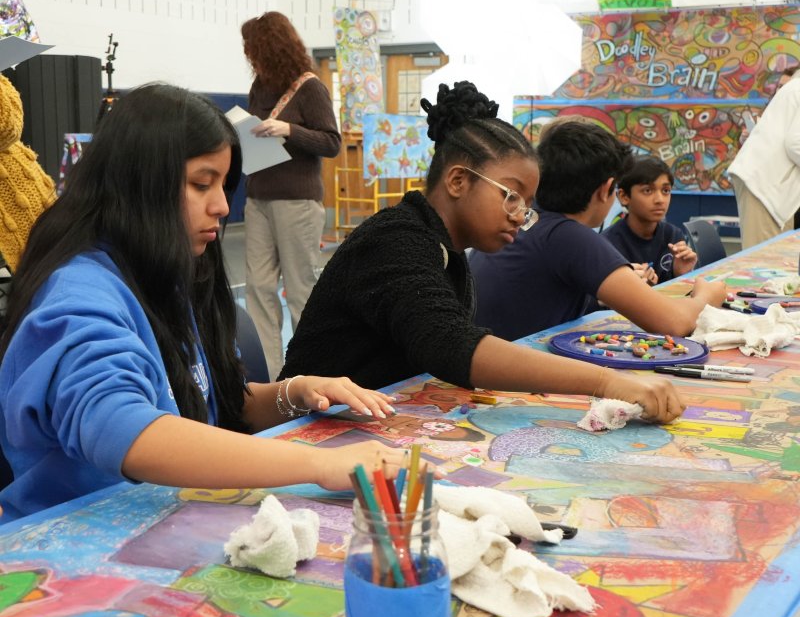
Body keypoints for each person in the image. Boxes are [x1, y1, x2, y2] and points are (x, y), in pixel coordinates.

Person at [0, 84, 401, 524]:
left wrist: (296, 393)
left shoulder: (165, 274)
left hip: (170, 519)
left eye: (224, 185)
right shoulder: (79, 295)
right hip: (73, 540)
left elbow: (213, 405)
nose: (223, 206)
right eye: (200, 184)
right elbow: (124, 429)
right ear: (138, 184)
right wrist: (319, 464)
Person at [281, 82, 684, 426]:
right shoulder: (394, 239)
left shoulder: (444, 248)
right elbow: (451, 345)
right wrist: (607, 381)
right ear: (458, 181)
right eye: (511, 196)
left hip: (377, 416)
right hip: (306, 427)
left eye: (527, 205)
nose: (520, 216)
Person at [469, 120, 725, 342]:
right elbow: (674, 323)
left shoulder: (527, 220)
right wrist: (706, 297)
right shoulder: (569, 236)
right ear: (607, 189)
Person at [241, 11, 341, 379]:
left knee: (300, 290)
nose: (249, 57)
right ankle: (269, 376)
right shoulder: (259, 86)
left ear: (271, 48)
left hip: (297, 202)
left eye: (253, 49)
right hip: (258, 198)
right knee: (258, 287)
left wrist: (289, 129)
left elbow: (331, 142)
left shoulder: (310, 87)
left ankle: (313, 372)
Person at [729, 69, 800, 249]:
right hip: (766, 188)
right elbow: (795, 143)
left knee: (775, 258)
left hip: (769, 188)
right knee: (765, 261)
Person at [602, 155, 696, 286]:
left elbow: (673, 290)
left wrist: (680, 274)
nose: (660, 200)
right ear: (624, 197)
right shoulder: (607, 245)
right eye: (647, 190)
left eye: (665, 190)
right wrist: (631, 289)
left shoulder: (673, 235)